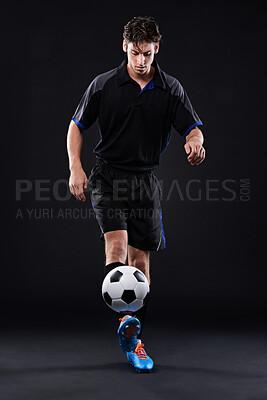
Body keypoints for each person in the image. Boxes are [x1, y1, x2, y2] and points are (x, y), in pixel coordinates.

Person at [67, 16, 205, 373]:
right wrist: (75, 168)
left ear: (156, 48)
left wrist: (195, 142)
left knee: (141, 262)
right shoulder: (105, 85)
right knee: (116, 246)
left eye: (147, 53)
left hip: (145, 181)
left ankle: (133, 335)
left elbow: (192, 128)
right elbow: (76, 126)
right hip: (107, 176)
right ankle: (122, 321)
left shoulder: (170, 88)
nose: (141, 60)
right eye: (135, 52)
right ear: (124, 47)